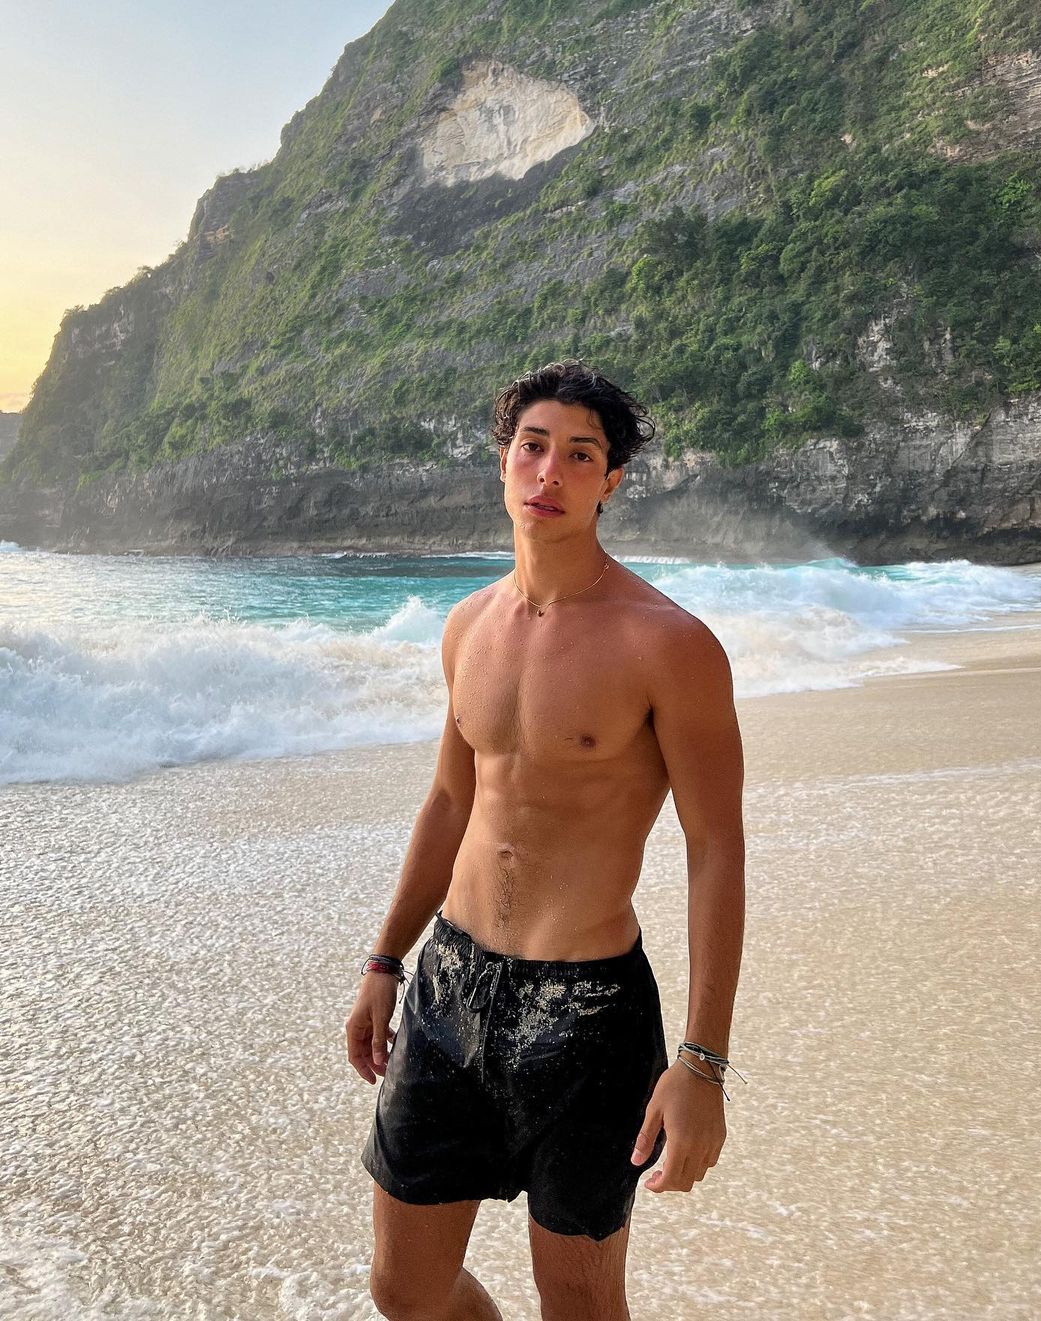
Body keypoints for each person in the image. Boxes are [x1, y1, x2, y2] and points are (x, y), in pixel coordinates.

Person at [345, 360, 746, 1321]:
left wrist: (701, 1063)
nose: (550, 472)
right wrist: (385, 958)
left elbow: (716, 846)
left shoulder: (668, 642)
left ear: (611, 481)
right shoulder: (466, 626)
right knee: (405, 1289)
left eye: (580, 455)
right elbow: (451, 801)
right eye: (533, 447)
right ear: (503, 461)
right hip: (448, 989)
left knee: (579, 1300)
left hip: (591, 1014)